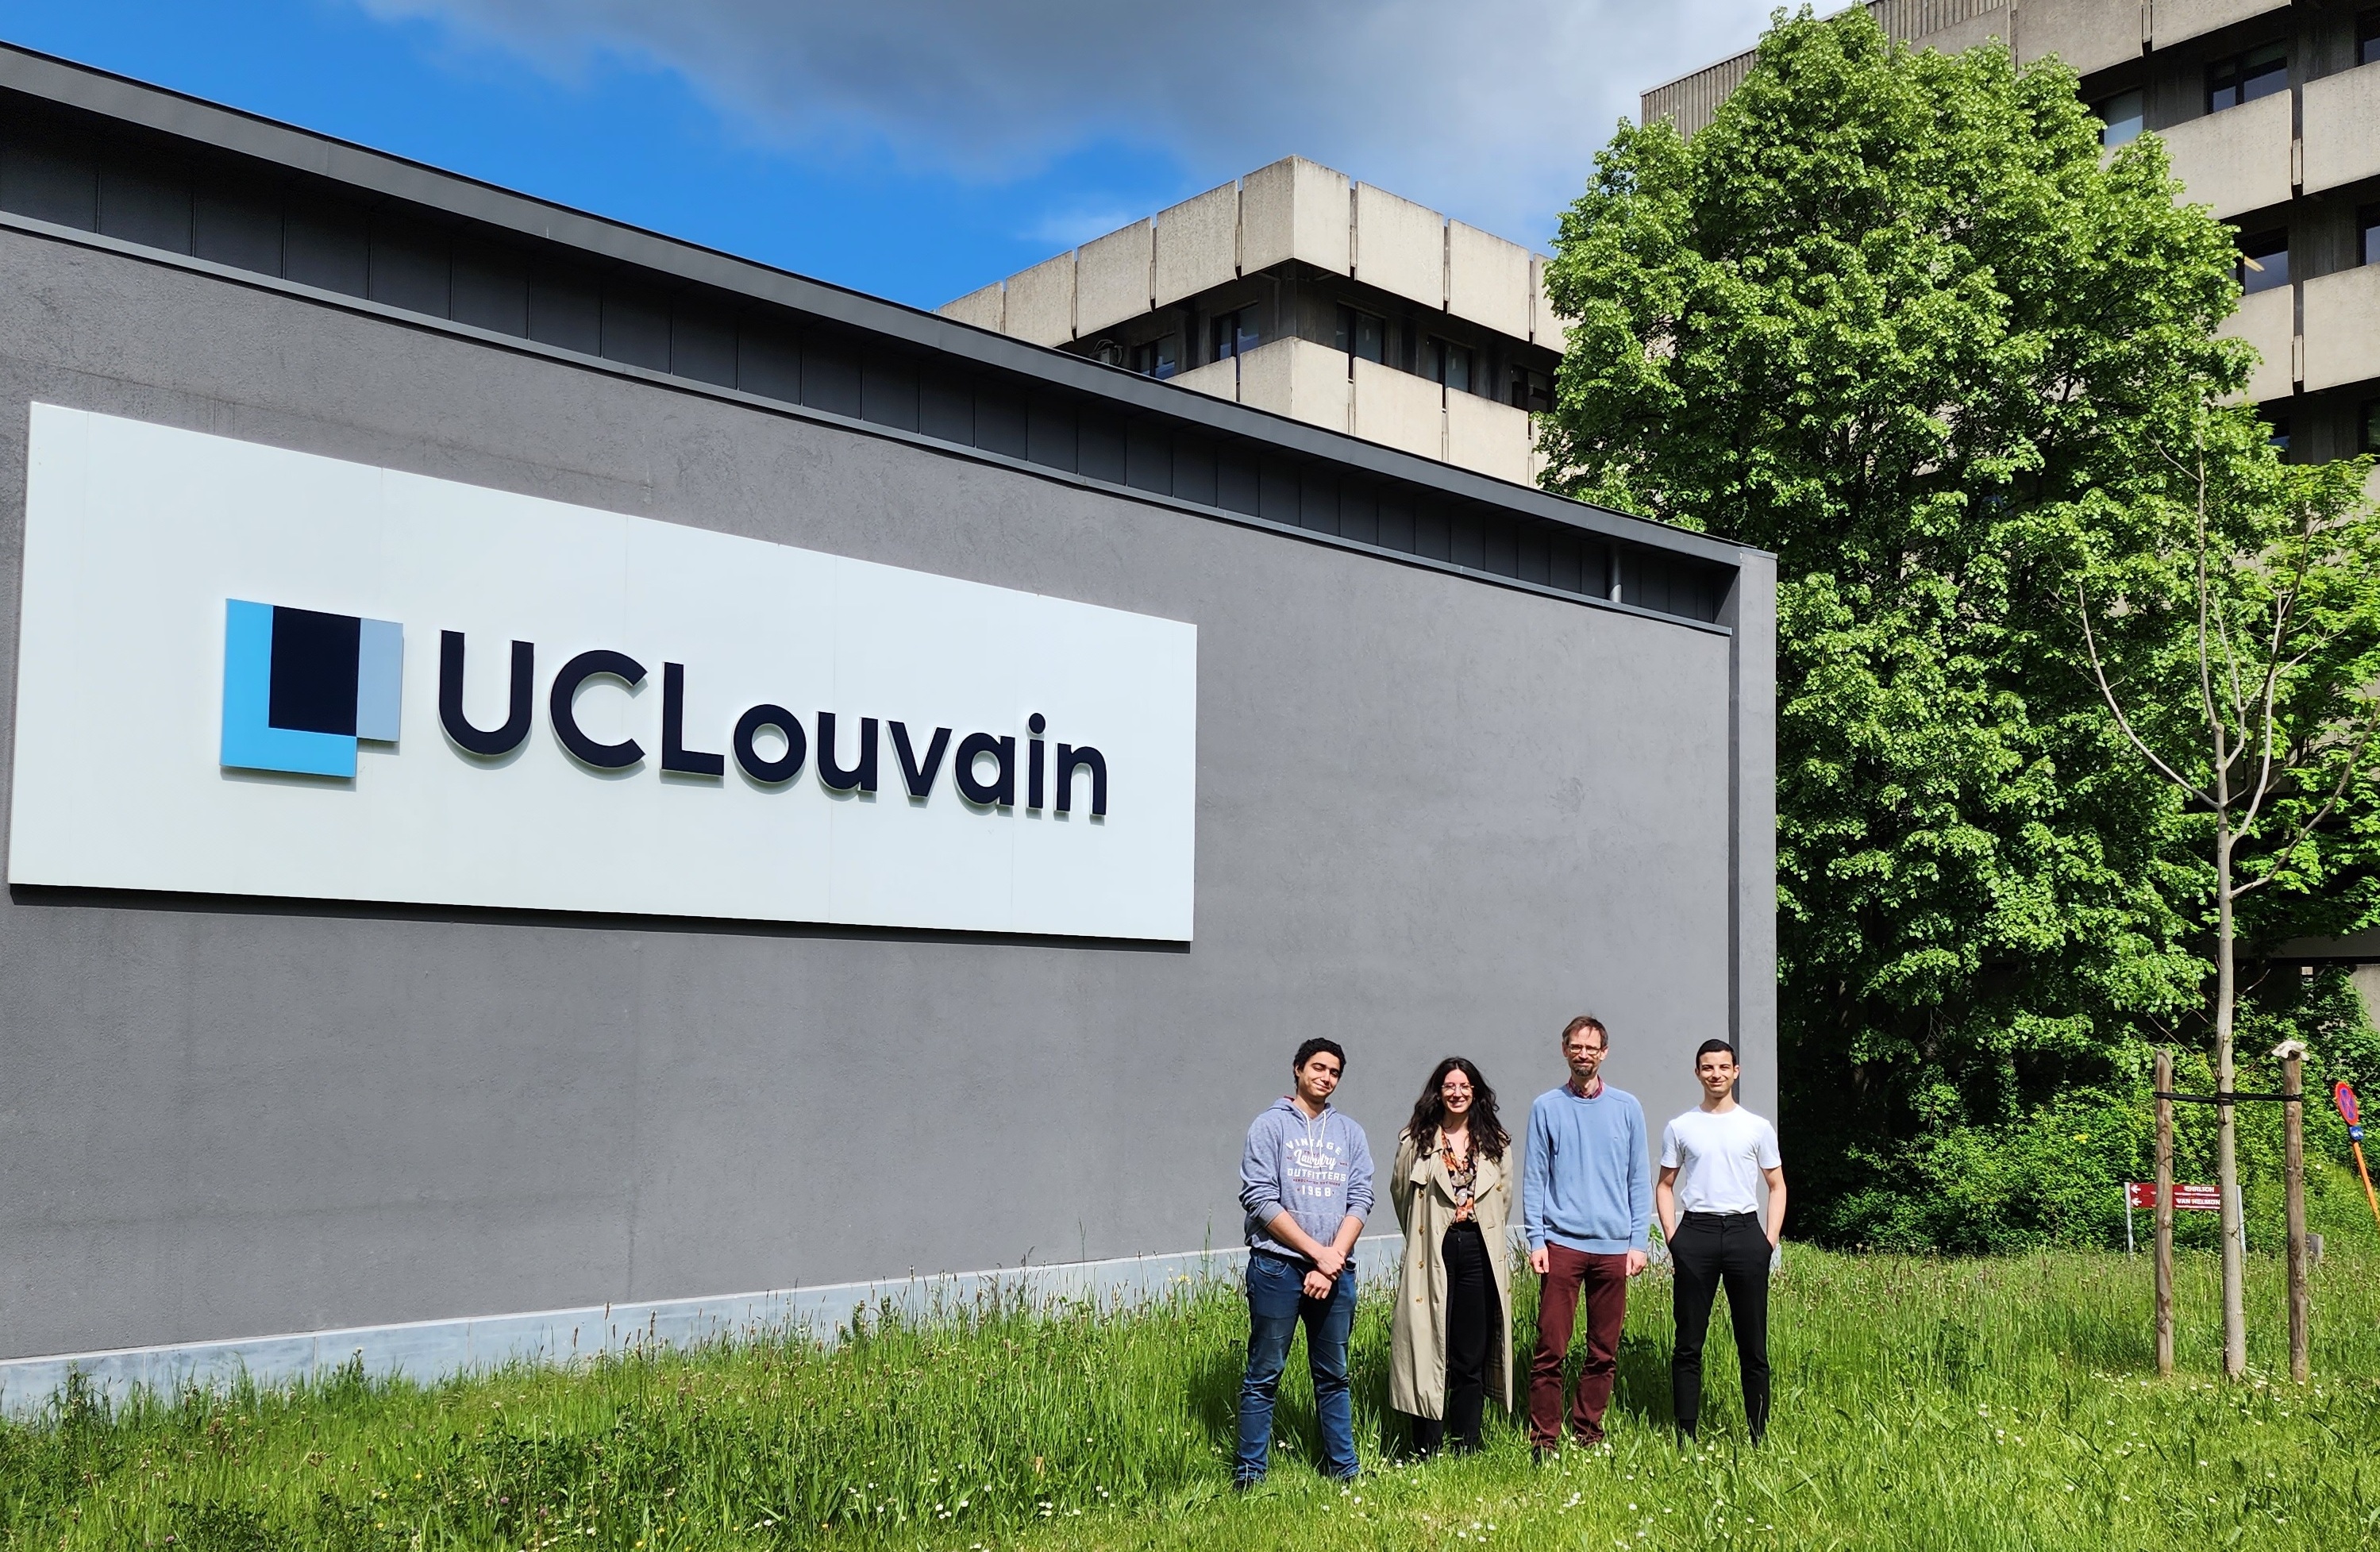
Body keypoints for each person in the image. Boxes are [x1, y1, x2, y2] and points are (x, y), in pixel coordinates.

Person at [1235, 1037, 1374, 1486]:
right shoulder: (1269, 1126)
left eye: (1334, 1072)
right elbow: (1258, 1198)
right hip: (1277, 1268)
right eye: (1318, 1067)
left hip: (1336, 1271)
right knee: (1265, 1374)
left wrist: (1333, 1259)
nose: (1325, 1077)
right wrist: (1318, 1255)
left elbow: (1361, 1197)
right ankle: (1250, 1475)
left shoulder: (1350, 1133)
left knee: (1334, 1376)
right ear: (1298, 1069)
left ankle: (1344, 1472)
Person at [1521, 1014, 1650, 1453]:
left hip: (1614, 1247)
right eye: (1576, 1046)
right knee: (1550, 1348)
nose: (1584, 1054)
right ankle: (1544, 1438)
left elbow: (1638, 1178)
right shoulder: (1546, 1107)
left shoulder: (1627, 1108)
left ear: (1604, 1053)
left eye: (1591, 1047)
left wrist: (1638, 1242)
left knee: (1603, 1351)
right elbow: (1535, 1177)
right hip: (1562, 1244)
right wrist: (1536, 1240)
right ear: (1565, 1051)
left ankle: (1589, 1432)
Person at [1656, 1038, 1785, 1445]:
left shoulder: (1757, 1127)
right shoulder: (1680, 1126)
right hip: (1696, 1234)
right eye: (1708, 1068)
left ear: (1736, 1071)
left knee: (1753, 1344)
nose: (1716, 1074)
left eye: (1723, 1067)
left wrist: (1769, 1242)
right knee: (1689, 1342)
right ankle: (1685, 1435)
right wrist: (1674, 1239)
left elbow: (1777, 1186)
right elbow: (1664, 1185)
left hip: (1746, 1235)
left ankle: (1758, 1435)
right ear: (1698, 1073)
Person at [1389, 1057, 1514, 1457]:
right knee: (1427, 1346)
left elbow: (1503, 1201)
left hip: (1478, 1249)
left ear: (1475, 1091)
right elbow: (1400, 1195)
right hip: (1433, 1251)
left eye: (1464, 1086)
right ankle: (1425, 1446)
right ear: (1438, 1092)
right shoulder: (1417, 1140)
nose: (1457, 1093)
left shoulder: (1496, 1143)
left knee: (1470, 1350)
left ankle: (1467, 1444)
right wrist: (1423, 1240)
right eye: (1449, 1086)